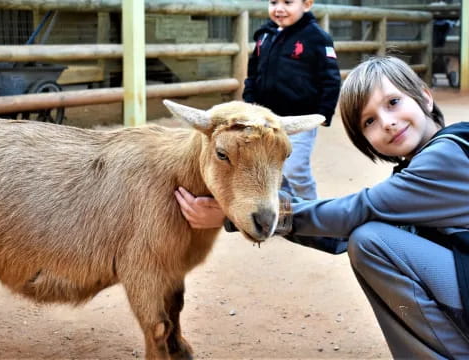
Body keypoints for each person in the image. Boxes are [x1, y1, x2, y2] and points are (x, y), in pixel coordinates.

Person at [175, 56, 469, 358]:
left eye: (393, 102)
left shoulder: (447, 156)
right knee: (366, 238)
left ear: (425, 96)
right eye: (369, 121)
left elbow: (357, 212)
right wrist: (249, 208)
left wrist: (235, 215)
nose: (387, 122)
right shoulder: (428, 161)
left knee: (371, 242)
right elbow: (340, 234)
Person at [243, 0, 341, 200]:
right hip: (267, 119)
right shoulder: (264, 35)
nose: (279, 8)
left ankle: (313, 213)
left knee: (295, 169)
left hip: (300, 119)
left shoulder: (317, 38)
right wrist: (250, 99)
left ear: (306, 4)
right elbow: (253, 70)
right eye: (273, 2)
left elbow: (331, 78)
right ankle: (288, 213)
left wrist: (323, 113)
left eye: (288, 2)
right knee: (275, 168)